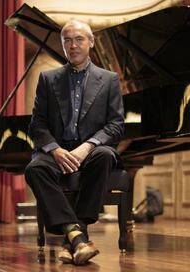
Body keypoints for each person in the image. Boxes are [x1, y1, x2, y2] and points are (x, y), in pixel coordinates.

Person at [24, 19, 124, 265]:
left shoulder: (109, 79)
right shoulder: (48, 79)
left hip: (89, 149)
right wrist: (55, 150)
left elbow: (116, 124)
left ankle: (73, 236)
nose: (73, 45)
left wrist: (88, 146)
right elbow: (37, 124)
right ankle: (77, 236)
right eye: (67, 40)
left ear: (91, 42)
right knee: (34, 169)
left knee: (105, 155)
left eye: (79, 39)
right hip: (57, 151)